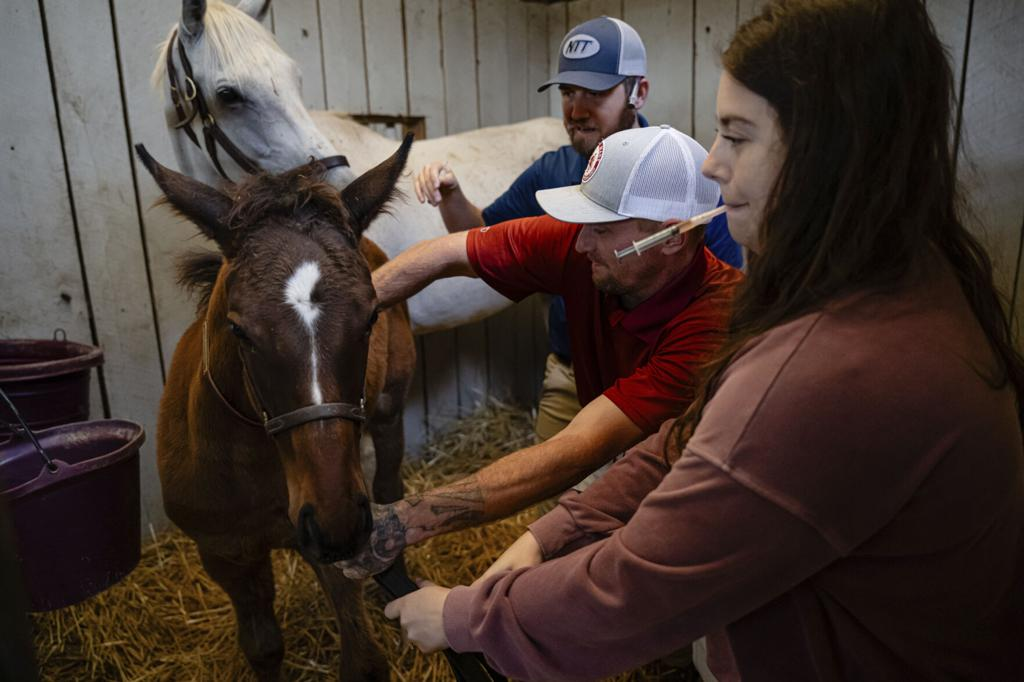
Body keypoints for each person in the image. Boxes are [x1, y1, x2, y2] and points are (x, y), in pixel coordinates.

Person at [381, 1, 1024, 680]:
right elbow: (686, 441)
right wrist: (549, 535)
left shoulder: (824, 369)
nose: (713, 164)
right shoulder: (886, 288)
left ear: (828, 148)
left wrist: (464, 616)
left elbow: (635, 586)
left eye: (737, 136)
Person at [339, 125, 742, 579]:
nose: (582, 242)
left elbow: (577, 448)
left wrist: (409, 518)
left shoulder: (714, 322)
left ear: (670, 237)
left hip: (691, 489)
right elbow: (446, 253)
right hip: (625, 459)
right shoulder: (589, 249)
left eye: (603, 228)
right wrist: (351, 308)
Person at [412, 16, 743, 441]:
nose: (576, 109)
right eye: (568, 92)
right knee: (554, 494)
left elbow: (723, 302)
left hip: (664, 383)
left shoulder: (682, 181)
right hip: (572, 373)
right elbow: (484, 237)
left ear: (638, 91)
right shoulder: (552, 169)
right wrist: (452, 196)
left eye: (596, 92)